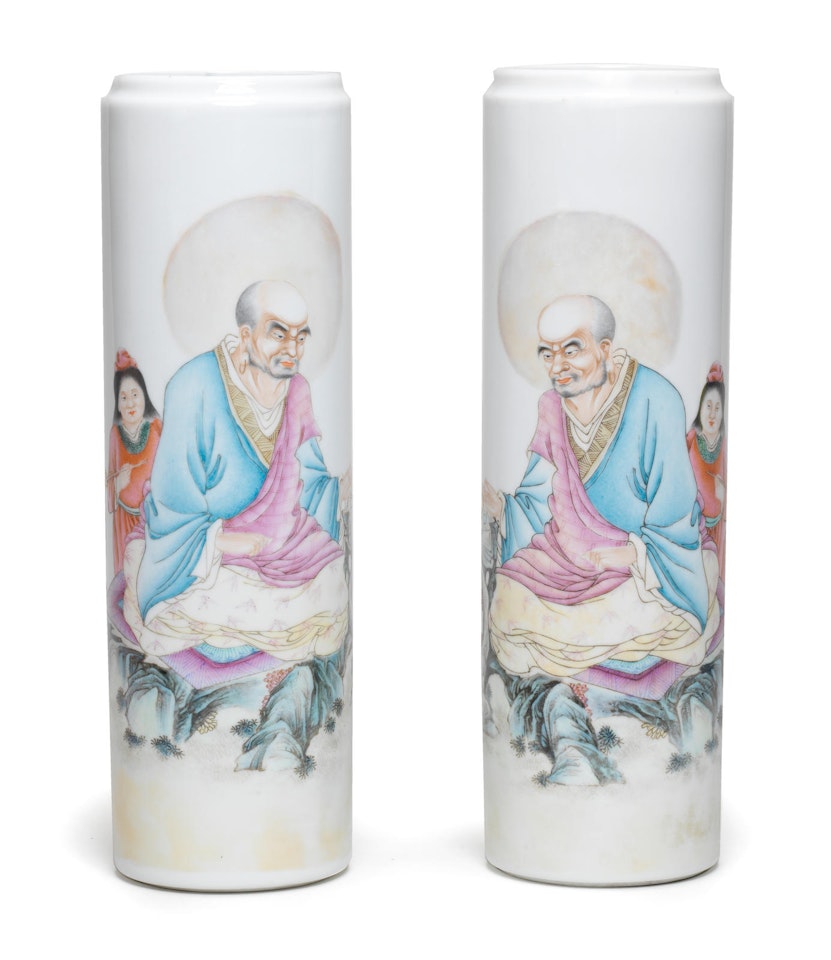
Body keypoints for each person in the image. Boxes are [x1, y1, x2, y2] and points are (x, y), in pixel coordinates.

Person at [483, 294, 720, 680]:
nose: (557, 367)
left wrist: (632, 555)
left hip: (642, 564)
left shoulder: (656, 398)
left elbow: (675, 511)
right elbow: (537, 500)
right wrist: (502, 509)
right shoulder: (552, 406)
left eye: (571, 351)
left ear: (604, 349)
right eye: (547, 354)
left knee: (641, 619)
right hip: (564, 561)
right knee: (505, 606)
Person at [121, 280, 350, 665]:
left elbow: (310, 482)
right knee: (222, 604)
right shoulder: (194, 384)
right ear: (246, 335)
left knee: (332, 586)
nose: (292, 350)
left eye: (300, 337)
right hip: (200, 546)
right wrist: (222, 542)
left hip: (284, 542)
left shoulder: (297, 390)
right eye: (279, 335)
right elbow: (174, 499)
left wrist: (342, 488)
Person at [107, 351, 161, 572]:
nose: (130, 403)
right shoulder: (115, 434)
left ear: (144, 396)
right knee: (128, 577)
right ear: (117, 404)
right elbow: (108, 483)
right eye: (123, 397)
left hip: (153, 518)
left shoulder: (156, 427)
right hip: (124, 520)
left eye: (135, 394)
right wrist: (119, 484)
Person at [687, 363, 727, 576]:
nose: (712, 414)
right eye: (708, 406)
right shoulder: (692, 439)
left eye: (717, 408)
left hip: (716, 526)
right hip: (692, 524)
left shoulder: (723, 445)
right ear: (700, 408)